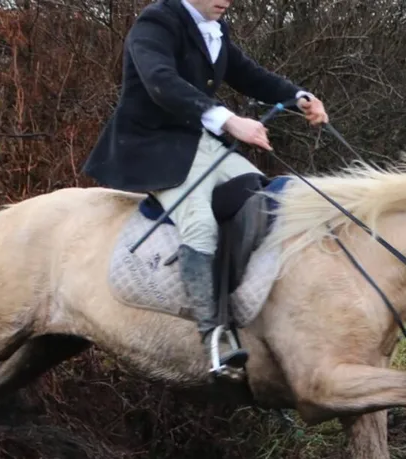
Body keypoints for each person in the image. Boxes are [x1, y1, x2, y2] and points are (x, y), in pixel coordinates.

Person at [83, 0, 328, 373]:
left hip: (199, 143)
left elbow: (248, 73)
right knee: (199, 224)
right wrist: (229, 121)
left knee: (262, 198)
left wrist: (296, 97)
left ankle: (248, 307)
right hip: (153, 148)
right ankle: (213, 336)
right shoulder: (156, 22)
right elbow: (162, 82)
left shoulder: (216, 28)